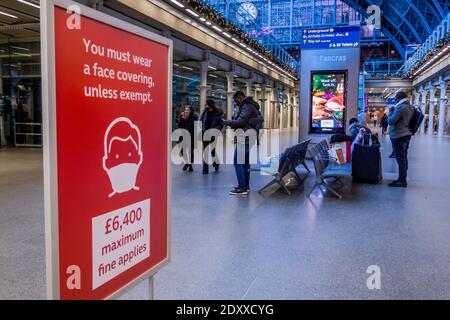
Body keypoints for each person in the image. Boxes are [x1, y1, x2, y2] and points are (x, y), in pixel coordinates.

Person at [223, 91, 258, 196]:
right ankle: (245, 186)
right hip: (248, 137)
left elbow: (240, 122)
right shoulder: (251, 106)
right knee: (245, 162)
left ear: (240, 97)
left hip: (244, 138)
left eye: (236, 100)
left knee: (237, 162)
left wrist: (227, 122)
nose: (236, 102)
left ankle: (242, 187)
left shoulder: (246, 106)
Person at [388, 91, 414, 187]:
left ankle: (402, 180)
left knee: (400, 159)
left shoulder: (400, 108)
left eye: (395, 98)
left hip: (399, 135)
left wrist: (390, 111)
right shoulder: (410, 106)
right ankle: (402, 178)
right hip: (406, 134)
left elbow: (391, 121)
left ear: (398, 98)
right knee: (403, 158)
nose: (394, 100)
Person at [200, 99, 224, 174]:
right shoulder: (205, 112)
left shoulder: (217, 113)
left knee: (212, 150)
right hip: (205, 133)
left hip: (213, 133)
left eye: (206, 104)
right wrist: (202, 129)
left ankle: (216, 163)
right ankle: (205, 169)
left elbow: (220, 124)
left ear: (210, 104)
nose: (205, 105)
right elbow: (201, 121)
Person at [178, 105, 198, 172]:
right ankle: (186, 163)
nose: (186, 111)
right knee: (182, 151)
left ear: (191, 111)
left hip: (191, 136)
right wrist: (183, 119)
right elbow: (180, 126)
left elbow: (191, 127)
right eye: (185, 110)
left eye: (188, 110)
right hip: (183, 136)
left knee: (190, 151)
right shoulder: (182, 117)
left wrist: (187, 119)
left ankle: (190, 165)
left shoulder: (194, 117)